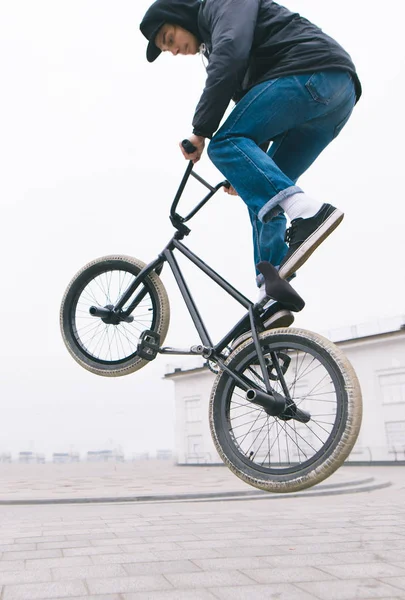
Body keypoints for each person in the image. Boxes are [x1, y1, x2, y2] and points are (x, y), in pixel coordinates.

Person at [140, 0, 361, 327]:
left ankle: (309, 212)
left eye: (170, 39)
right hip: (332, 98)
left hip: (311, 74)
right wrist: (244, 169)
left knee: (224, 143)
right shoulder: (215, 41)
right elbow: (256, 108)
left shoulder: (221, 7)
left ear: (179, 18)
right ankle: (272, 291)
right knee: (261, 192)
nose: (173, 51)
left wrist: (201, 131)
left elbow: (231, 53)